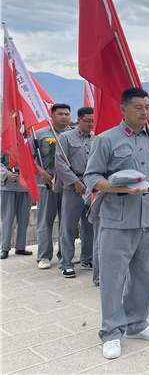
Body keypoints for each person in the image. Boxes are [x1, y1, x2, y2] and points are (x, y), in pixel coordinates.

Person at [84, 88, 149, 360]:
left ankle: (137, 323)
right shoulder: (106, 139)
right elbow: (92, 178)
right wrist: (122, 190)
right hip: (118, 218)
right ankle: (111, 331)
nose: (145, 112)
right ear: (123, 110)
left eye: (147, 106)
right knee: (114, 278)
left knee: (147, 275)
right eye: (138, 107)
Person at [54, 106, 95, 278]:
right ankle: (66, 262)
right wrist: (75, 181)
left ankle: (88, 258)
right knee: (69, 227)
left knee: (90, 225)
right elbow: (60, 164)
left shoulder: (96, 138)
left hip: (91, 185)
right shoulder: (65, 138)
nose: (91, 124)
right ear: (78, 120)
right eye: (88, 121)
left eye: (93, 121)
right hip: (73, 187)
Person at [32, 103, 72, 269]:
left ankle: (65, 254)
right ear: (52, 116)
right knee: (45, 221)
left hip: (67, 185)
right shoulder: (39, 135)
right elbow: (30, 159)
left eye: (67, 114)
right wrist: (42, 172)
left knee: (66, 221)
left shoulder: (73, 135)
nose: (64, 117)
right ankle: (44, 256)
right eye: (61, 114)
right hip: (46, 184)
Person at [0, 153, 32, 259]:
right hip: (8, 184)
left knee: (24, 217)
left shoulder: (27, 141)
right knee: (7, 218)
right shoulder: (4, 140)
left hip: (25, 182)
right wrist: (6, 174)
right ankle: (4, 248)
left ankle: (21, 246)